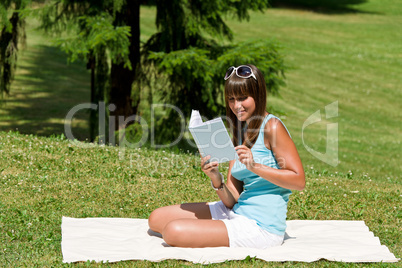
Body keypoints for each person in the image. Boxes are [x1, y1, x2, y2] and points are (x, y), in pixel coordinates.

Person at [148, 64, 305, 249]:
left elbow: (298, 181)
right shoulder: (239, 130)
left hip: (261, 226)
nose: (236, 106)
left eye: (242, 98)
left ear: (258, 94)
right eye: (231, 99)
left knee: (173, 231)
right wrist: (216, 178)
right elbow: (232, 199)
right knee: (156, 219)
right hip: (237, 210)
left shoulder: (272, 127)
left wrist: (255, 167)